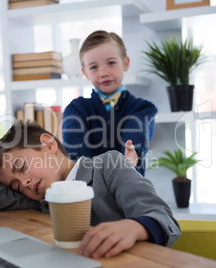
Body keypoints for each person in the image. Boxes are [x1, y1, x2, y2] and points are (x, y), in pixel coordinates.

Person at [0, 120, 180, 259]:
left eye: (22, 166)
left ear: (48, 144)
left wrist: (134, 226)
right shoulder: (42, 199)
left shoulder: (109, 165)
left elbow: (164, 219)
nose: (24, 184)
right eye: (16, 186)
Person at [62, 30, 158, 176]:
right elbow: (77, 157)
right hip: (90, 191)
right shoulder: (76, 109)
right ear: (85, 73)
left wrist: (131, 154)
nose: (103, 72)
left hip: (129, 189)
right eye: (94, 67)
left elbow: (136, 131)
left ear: (125, 63)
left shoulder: (142, 108)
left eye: (111, 63)